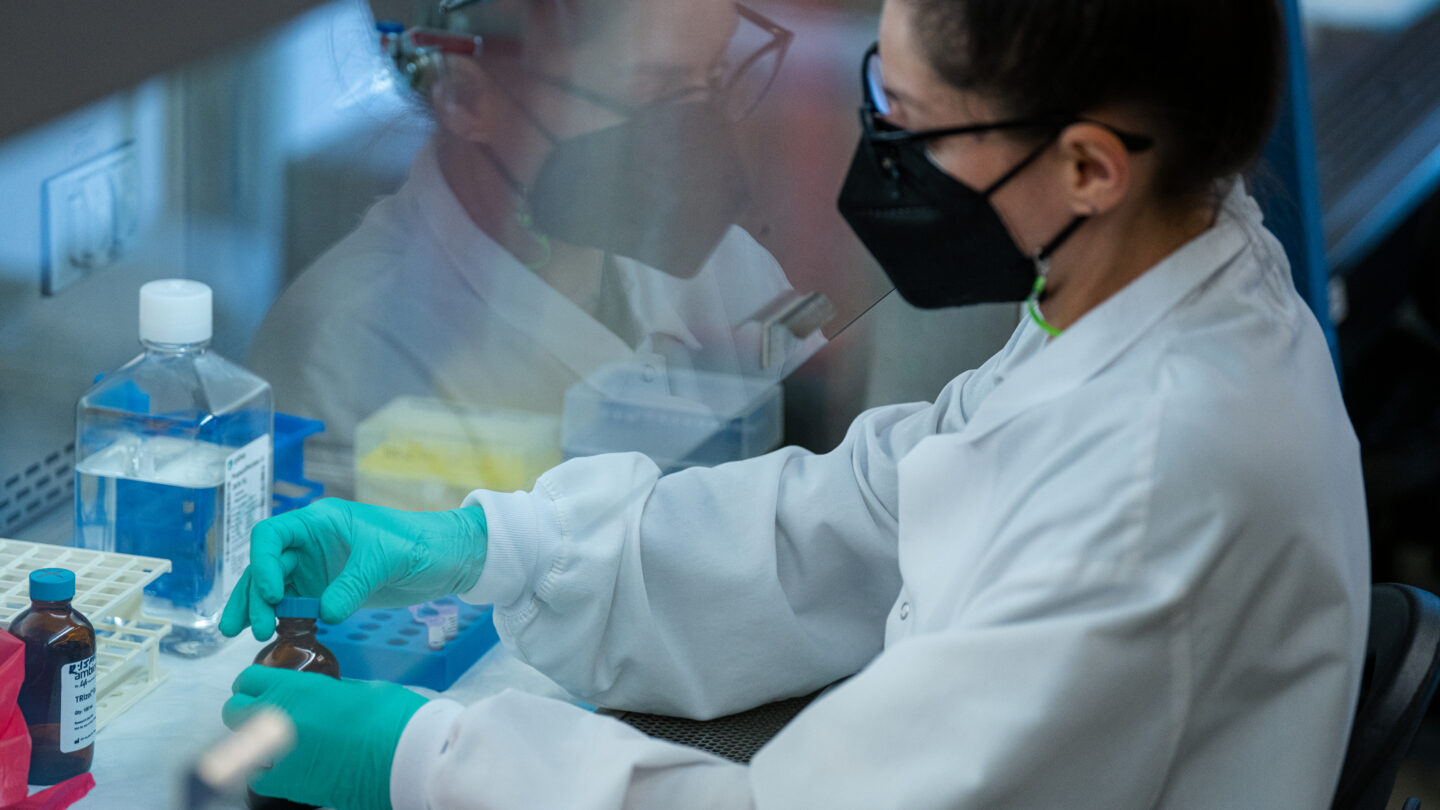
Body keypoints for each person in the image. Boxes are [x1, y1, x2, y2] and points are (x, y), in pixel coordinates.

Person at [221, 0, 1371, 807]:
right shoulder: (1157, 275)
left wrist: (431, 760)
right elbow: (859, 515)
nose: (877, 151)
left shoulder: (1150, 485)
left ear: (1087, 168)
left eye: (914, 126)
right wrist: (494, 546)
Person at [248, 0, 819, 495]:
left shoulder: (721, 263)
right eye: (653, 88)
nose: (698, 134)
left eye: (716, 77)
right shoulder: (342, 354)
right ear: (467, 97)